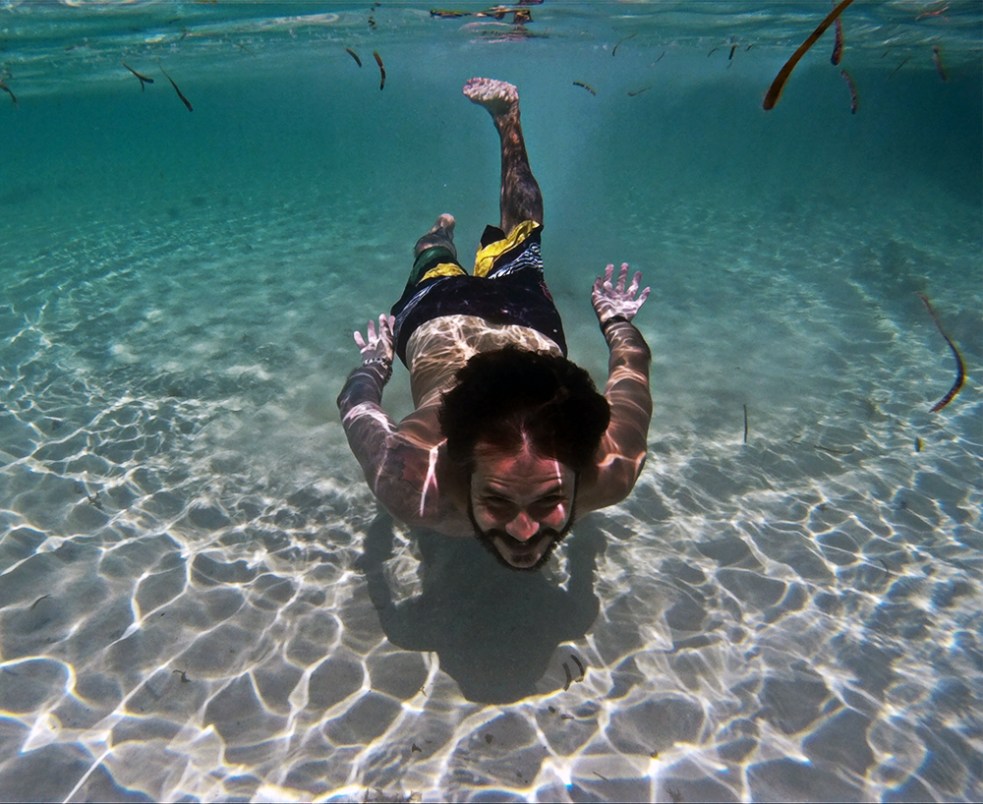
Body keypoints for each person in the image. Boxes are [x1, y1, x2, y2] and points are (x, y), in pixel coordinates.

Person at [337, 77, 652, 571]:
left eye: (549, 499)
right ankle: (450, 219)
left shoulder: (407, 483)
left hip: (448, 318)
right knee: (485, 241)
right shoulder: (413, 479)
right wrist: (615, 322)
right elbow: (632, 369)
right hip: (499, 317)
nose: (525, 534)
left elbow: (357, 404)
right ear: (456, 465)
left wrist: (375, 369)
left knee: (450, 252)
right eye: (499, 501)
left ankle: (450, 221)